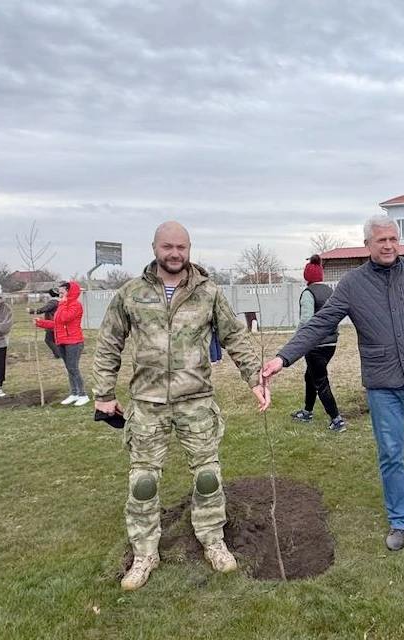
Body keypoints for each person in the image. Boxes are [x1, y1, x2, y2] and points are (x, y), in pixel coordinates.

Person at [262, 215, 404, 551]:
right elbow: (320, 324)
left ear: (399, 241)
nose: (388, 245)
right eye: (380, 240)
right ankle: (400, 521)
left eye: (392, 239)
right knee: (391, 454)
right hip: (382, 384)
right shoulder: (352, 284)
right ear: (368, 245)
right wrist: (282, 358)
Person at [93, 221, 269, 591]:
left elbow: (234, 335)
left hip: (196, 401)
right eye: (168, 247)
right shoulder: (131, 293)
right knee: (142, 482)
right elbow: (109, 341)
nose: (175, 254)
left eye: (182, 248)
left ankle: (212, 540)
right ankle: (145, 553)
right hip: (147, 405)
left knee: (207, 477)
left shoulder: (208, 292)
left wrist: (254, 379)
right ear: (155, 247)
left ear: (189, 249)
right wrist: (104, 392)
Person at [289, 254, 347, 432]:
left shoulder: (308, 293)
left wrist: (298, 339)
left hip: (315, 345)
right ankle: (307, 412)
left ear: (307, 277)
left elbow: (306, 320)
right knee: (310, 376)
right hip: (331, 344)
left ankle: (337, 420)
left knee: (320, 380)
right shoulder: (330, 292)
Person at [35, 281, 89, 406]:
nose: (59, 294)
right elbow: (57, 323)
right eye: (59, 292)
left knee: (73, 368)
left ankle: (83, 394)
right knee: (69, 369)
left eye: (62, 292)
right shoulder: (62, 305)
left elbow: (65, 318)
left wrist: (64, 303)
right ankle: (74, 393)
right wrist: (40, 323)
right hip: (62, 341)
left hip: (74, 342)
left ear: (69, 292)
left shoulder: (75, 305)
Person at [29, 288, 61, 359]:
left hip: (51, 324)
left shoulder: (53, 302)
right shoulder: (59, 301)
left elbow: (44, 309)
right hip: (55, 323)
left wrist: (32, 311)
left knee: (48, 340)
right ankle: (58, 354)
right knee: (54, 340)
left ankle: (58, 354)